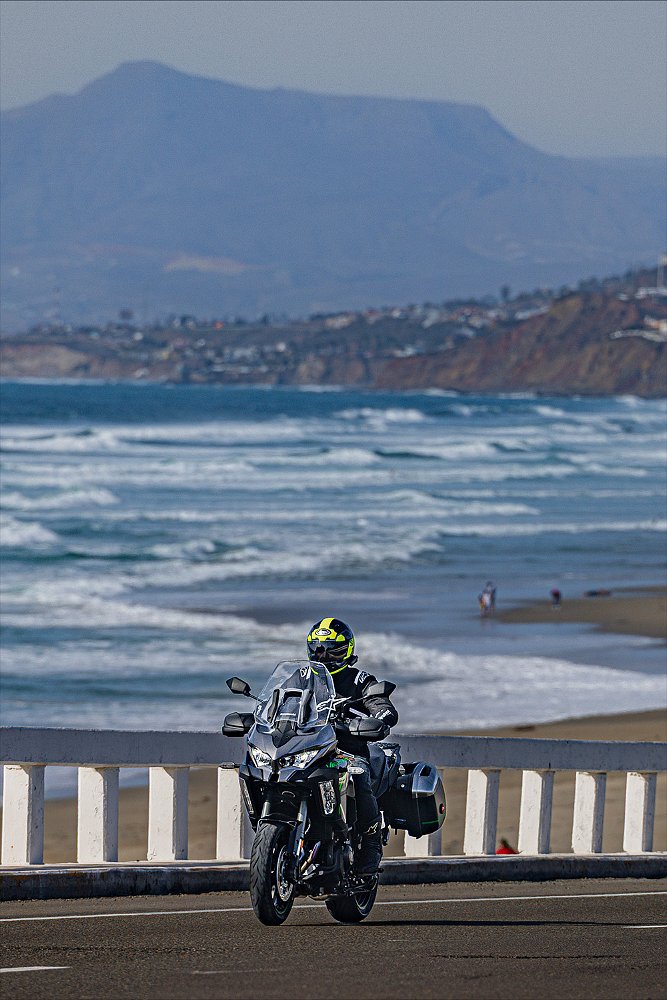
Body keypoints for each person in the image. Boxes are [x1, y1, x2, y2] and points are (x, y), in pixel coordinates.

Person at [307, 616, 399, 875]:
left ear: (346, 650)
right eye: (317, 648)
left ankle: (370, 843)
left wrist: (380, 717)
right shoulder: (301, 678)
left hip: (344, 753)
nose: (322, 655)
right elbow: (276, 702)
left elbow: (382, 706)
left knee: (357, 773)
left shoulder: (359, 680)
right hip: (309, 750)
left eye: (330, 649)